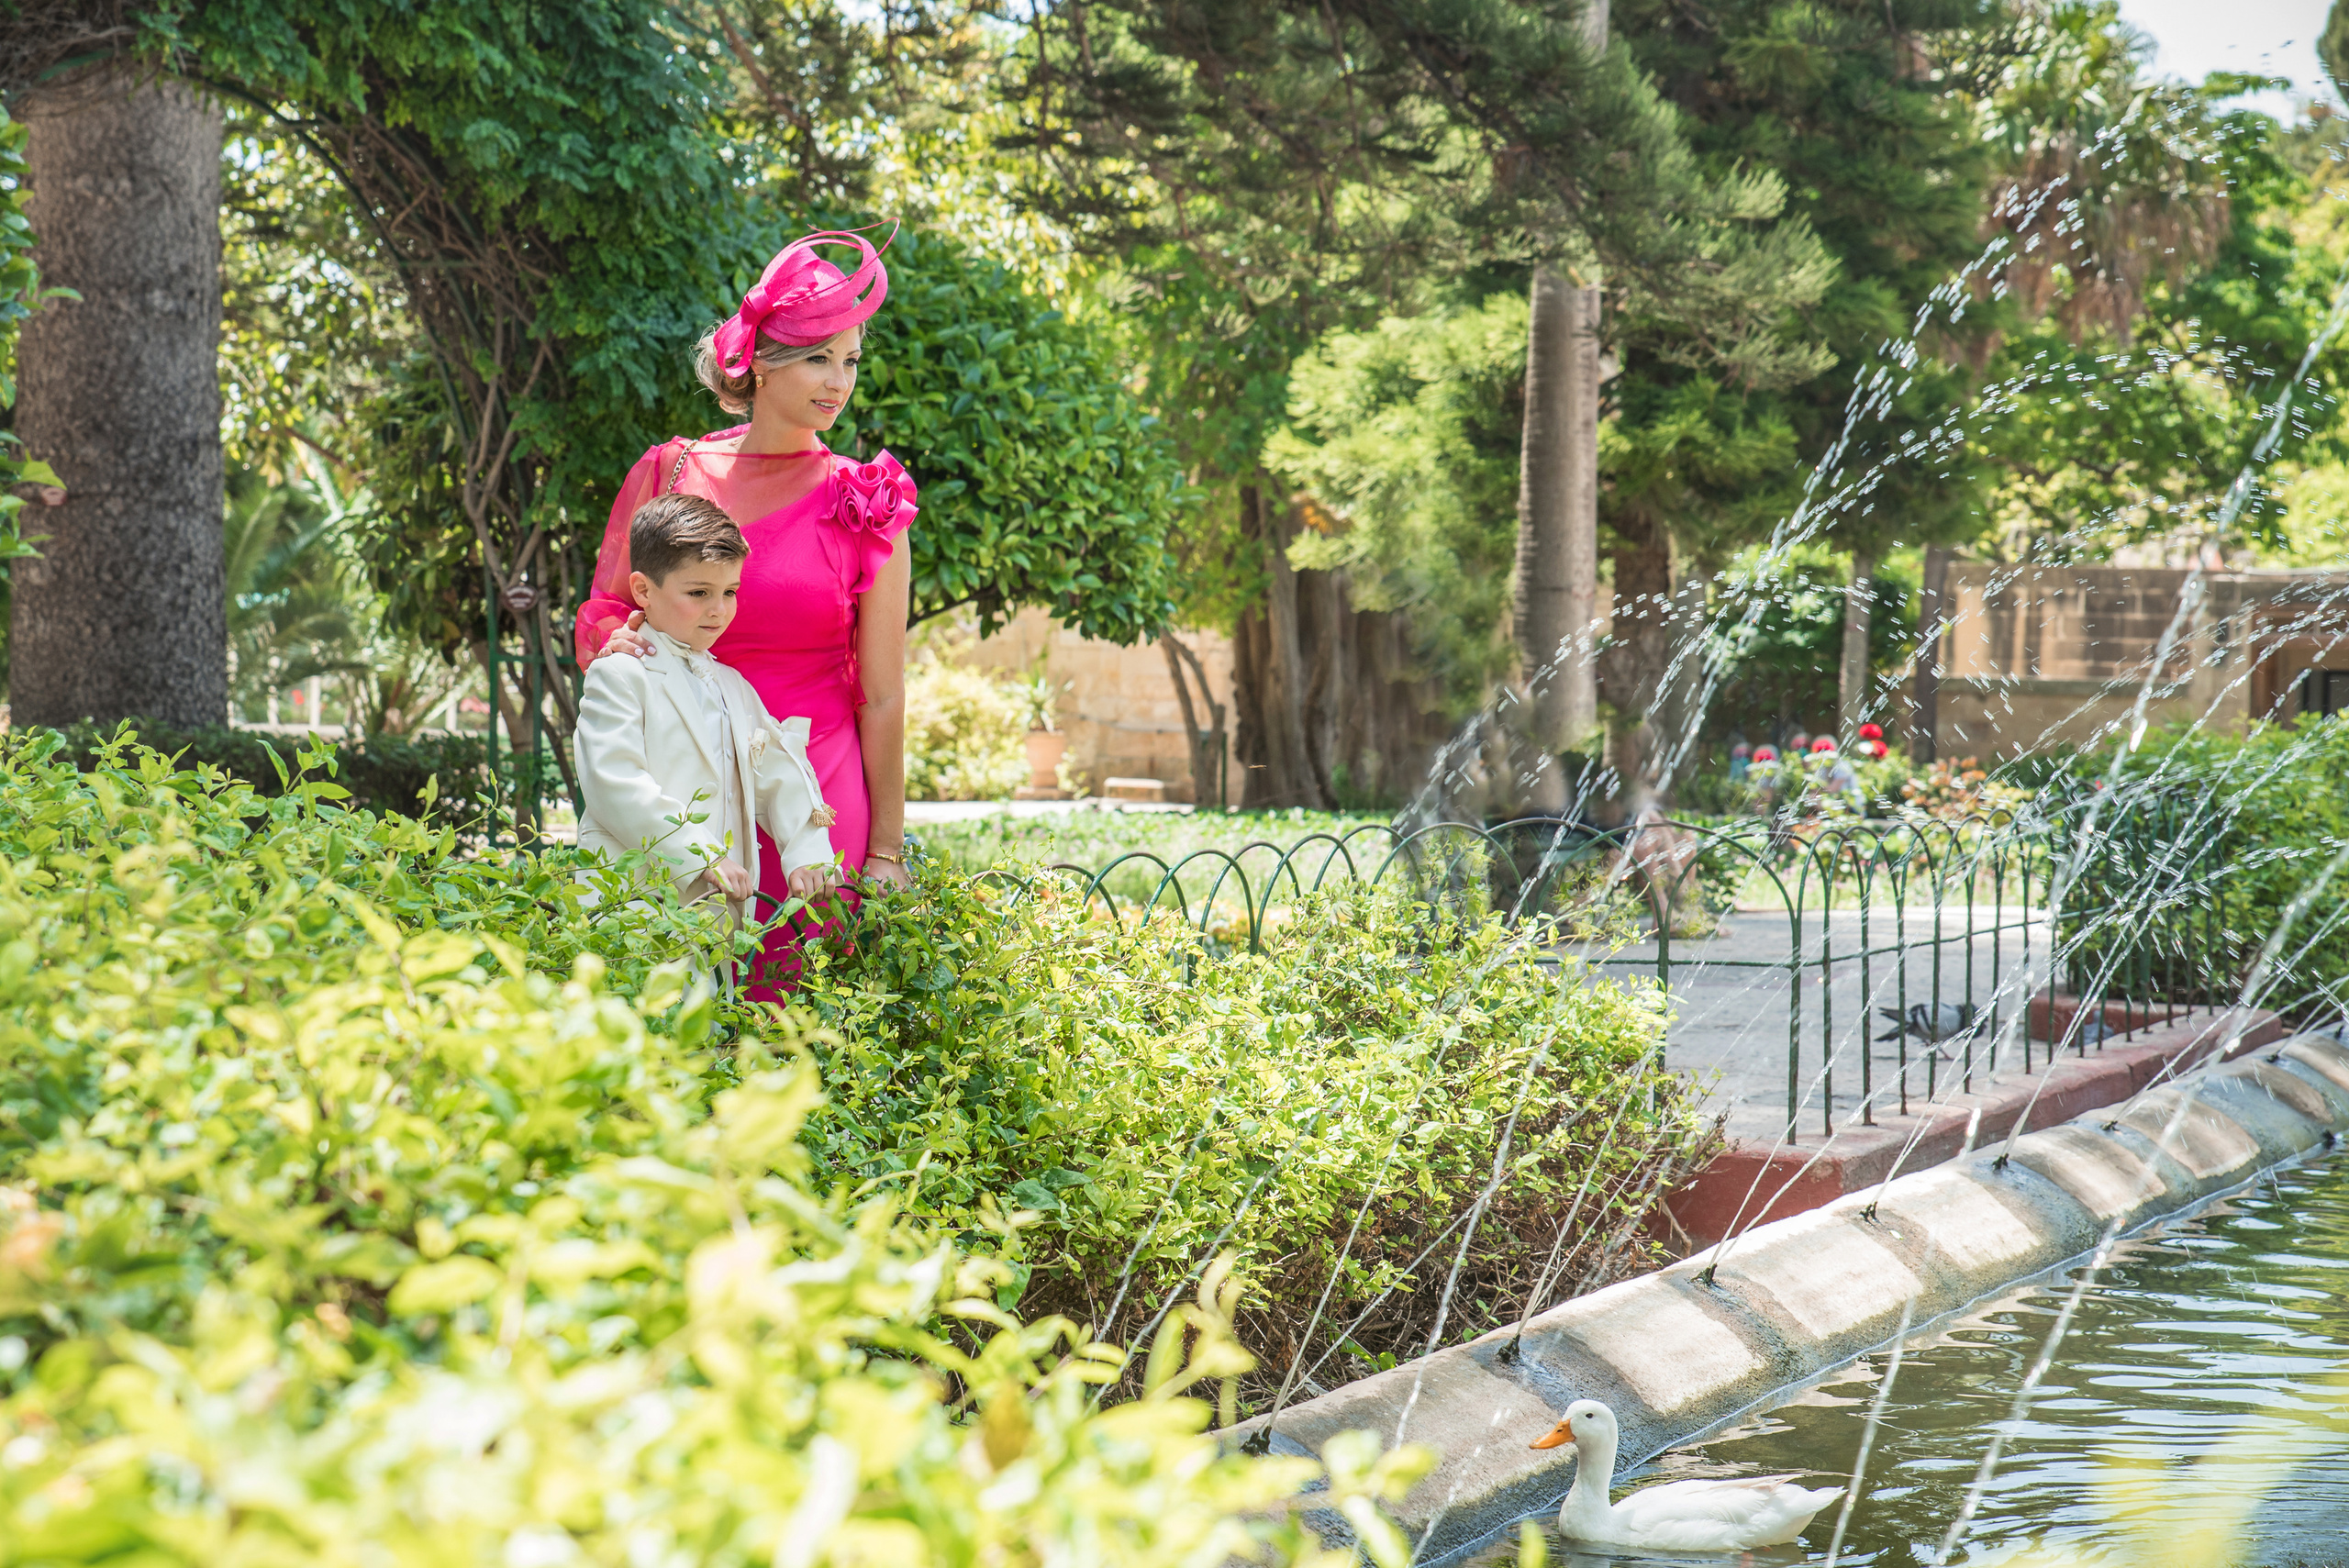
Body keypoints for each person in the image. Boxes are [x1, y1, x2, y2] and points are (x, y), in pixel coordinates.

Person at [574, 229, 917, 977]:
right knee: (676, 1013)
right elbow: (606, 609)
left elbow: (885, 694)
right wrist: (616, 640)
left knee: (803, 1034)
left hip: (813, 798)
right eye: (817, 357)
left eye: (851, 359)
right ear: (761, 362)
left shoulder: (865, 502)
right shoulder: (670, 472)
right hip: (680, 785)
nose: (839, 381)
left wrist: (886, 849)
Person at [573, 494, 841, 912]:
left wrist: (807, 852)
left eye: (730, 592)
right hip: (631, 907)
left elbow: (778, 772)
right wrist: (701, 854)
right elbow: (615, 783)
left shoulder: (732, 685)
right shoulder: (620, 674)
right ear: (643, 589)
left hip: (717, 917)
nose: (719, 610)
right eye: (699, 592)